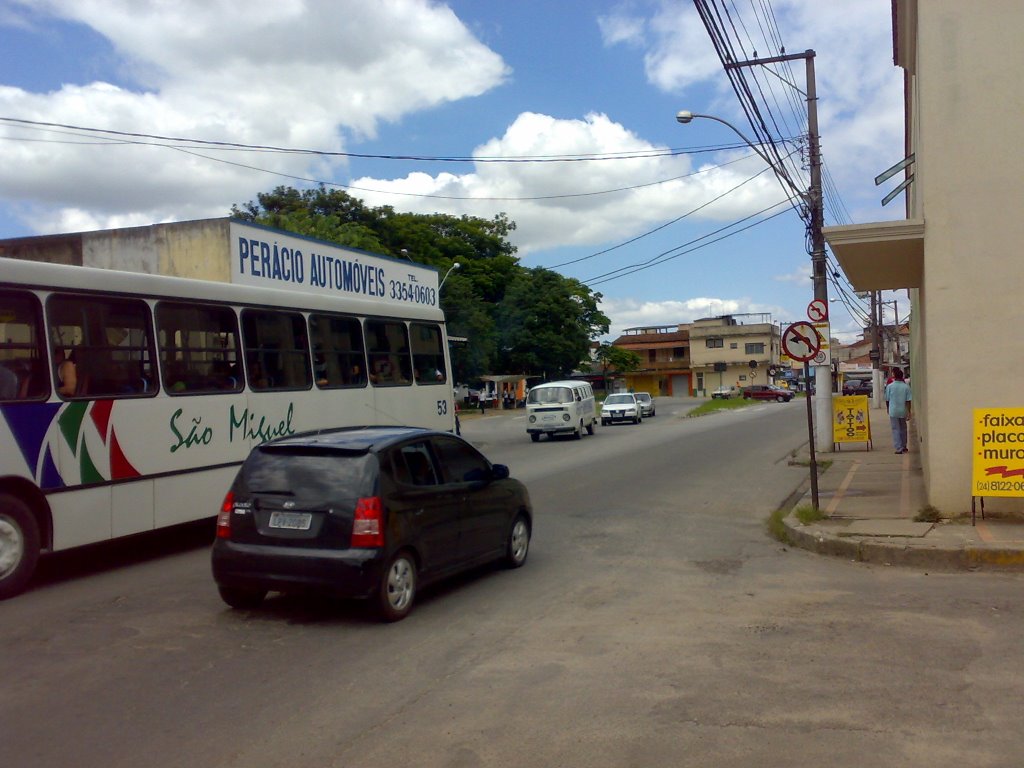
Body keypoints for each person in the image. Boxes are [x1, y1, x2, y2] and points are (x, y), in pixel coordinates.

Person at [884, 368, 912, 454]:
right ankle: (904, 446)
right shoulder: (906, 387)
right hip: (902, 410)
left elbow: (887, 399)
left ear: (894, 376)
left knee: (896, 429)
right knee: (903, 428)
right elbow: (908, 401)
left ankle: (898, 448)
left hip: (893, 410)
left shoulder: (890, 386)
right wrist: (909, 411)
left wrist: (888, 408)